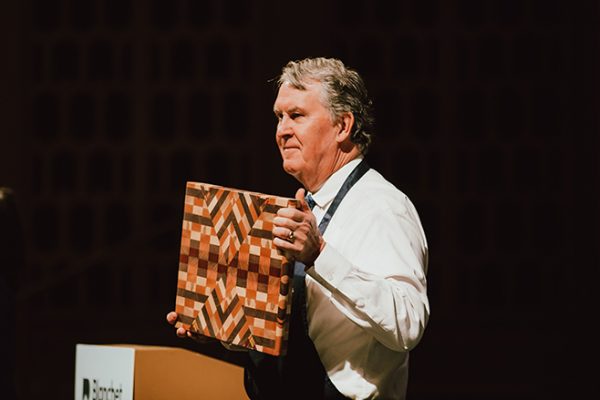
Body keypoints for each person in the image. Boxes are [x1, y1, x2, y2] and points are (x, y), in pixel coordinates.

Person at [167, 57, 429, 400]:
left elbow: (407, 324)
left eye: (297, 116)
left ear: (343, 126)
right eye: (279, 117)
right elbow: (292, 333)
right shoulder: (307, 207)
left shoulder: (381, 207)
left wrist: (320, 255)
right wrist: (218, 325)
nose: (282, 130)